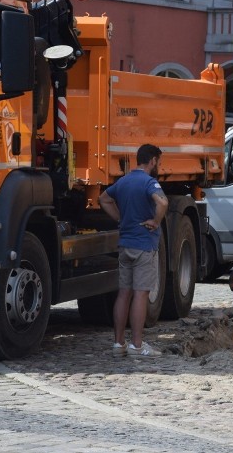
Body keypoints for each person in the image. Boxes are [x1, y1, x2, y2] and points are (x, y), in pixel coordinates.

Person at [98, 144, 168, 358]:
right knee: (141, 294)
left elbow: (103, 199)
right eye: (158, 162)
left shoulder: (124, 181)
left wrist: (120, 218)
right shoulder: (149, 182)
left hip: (125, 244)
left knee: (124, 293)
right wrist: (156, 221)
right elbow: (163, 202)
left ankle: (119, 343)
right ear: (153, 161)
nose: (158, 166)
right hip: (143, 245)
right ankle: (137, 345)